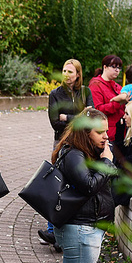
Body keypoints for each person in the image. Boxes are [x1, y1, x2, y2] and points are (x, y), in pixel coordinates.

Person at [50, 108, 115, 263]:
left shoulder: (80, 152)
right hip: (80, 229)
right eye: (100, 132)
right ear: (84, 131)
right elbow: (88, 185)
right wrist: (107, 163)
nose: (105, 137)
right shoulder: (74, 154)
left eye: (107, 131)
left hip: (81, 227)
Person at [40, 59, 93, 248]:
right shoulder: (55, 94)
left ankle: (67, 231)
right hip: (61, 142)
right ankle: (53, 231)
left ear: (78, 74)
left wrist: (68, 117)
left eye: (70, 71)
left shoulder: (85, 92)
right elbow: (55, 122)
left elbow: (91, 117)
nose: (66, 75)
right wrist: (79, 117)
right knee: (58, 183)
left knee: (77, 182)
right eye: (63, 71)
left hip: (83, 144)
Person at [88, 55, 131, 145]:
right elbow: (97, 110)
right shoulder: (96, 85)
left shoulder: (117, 86)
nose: (117, 70)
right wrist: (118, 103)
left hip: (120, 132)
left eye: (119, 68)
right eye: (114, 67)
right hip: (106, 135)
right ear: (105, 67)